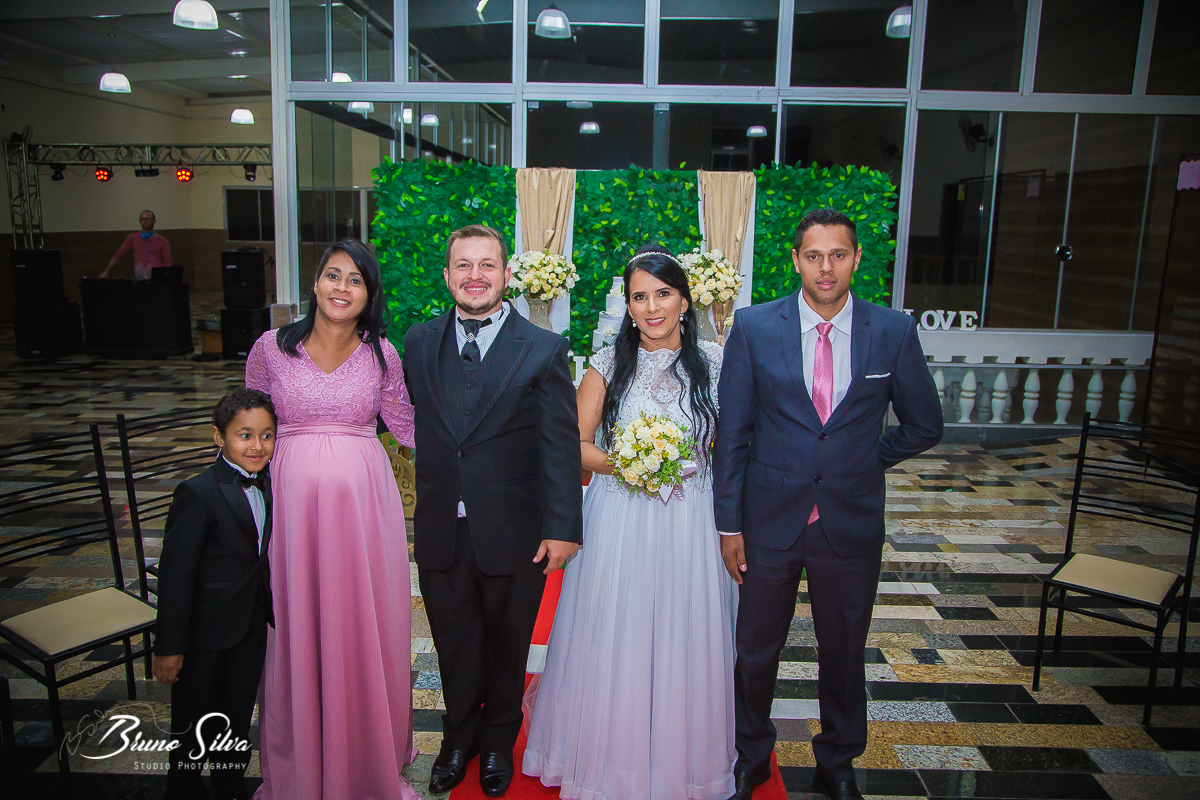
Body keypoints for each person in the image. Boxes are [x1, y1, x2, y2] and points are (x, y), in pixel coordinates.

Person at [713, 209, 943, 800]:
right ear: (795, 260)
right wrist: (728, 524)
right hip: (768, 522)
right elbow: (732, 434)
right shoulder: (754, 327)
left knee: (843, 652)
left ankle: (837, 762)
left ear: (856, 259)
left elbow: (925, 424)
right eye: (813, 255)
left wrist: (864, 459)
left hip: (849, 522)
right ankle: (749, 756)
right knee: (755, 650)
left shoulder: (891, 331)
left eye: (838, 255)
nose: (826, 267)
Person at [524, 245, 737, 800]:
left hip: (691, 519)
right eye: (640, 297)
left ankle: (681, 759)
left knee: (684, 634)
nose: (652, 307)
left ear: (685, 301)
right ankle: (609, 759)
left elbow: (735, 443)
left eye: (663, 294)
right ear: (629, 305)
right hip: (621, 518)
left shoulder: (716, 363)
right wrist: (631, 464)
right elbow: (575, 443)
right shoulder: (608, 364)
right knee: (617, 632)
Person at [402, 224, 582, 798]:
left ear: (506, 275)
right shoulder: (418, 342)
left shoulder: (544, 348)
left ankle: (500, 739)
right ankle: (459, 739)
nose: (474, 276)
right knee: (453, 645)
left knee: (508, 645)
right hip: (441, 529)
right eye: (463, 265)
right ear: (447, 275)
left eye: (486, 265)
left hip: (514, 530)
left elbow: (560, 444)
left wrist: (562, 527)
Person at [245, 239, 419, 800]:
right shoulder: (271, 348)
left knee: (362, 623)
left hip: (364, 514)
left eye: (355, 279)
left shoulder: (382, 355)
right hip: (291, 516)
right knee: (296, 624)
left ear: (369, 294)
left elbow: (410, 428)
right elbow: (250, 427)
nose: (342, 288)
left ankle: (364, 753)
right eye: (332, 275)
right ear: (315, 283)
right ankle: (302, 755)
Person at [153, 388, 277, 800]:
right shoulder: (198, 493)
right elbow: (175, 575)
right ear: (218, 437)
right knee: (190, 730)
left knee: (236, 722)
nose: (257, 446)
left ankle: (230, 788)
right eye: (245, 435)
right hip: (202, 635)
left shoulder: (269, 483)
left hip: (249, 626)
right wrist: (169, 647)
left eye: (266, 435)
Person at [99, 209, 172, 280]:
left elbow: (167, 262)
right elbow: (119, 254)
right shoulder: (133, 238)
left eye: (148, 219)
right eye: (143, 219)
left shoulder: (162, 241)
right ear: (140, 221)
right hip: (139, 281)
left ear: (154, 221)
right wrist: (106, 270)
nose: (145, 221)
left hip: (156, 281)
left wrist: (164, 278)